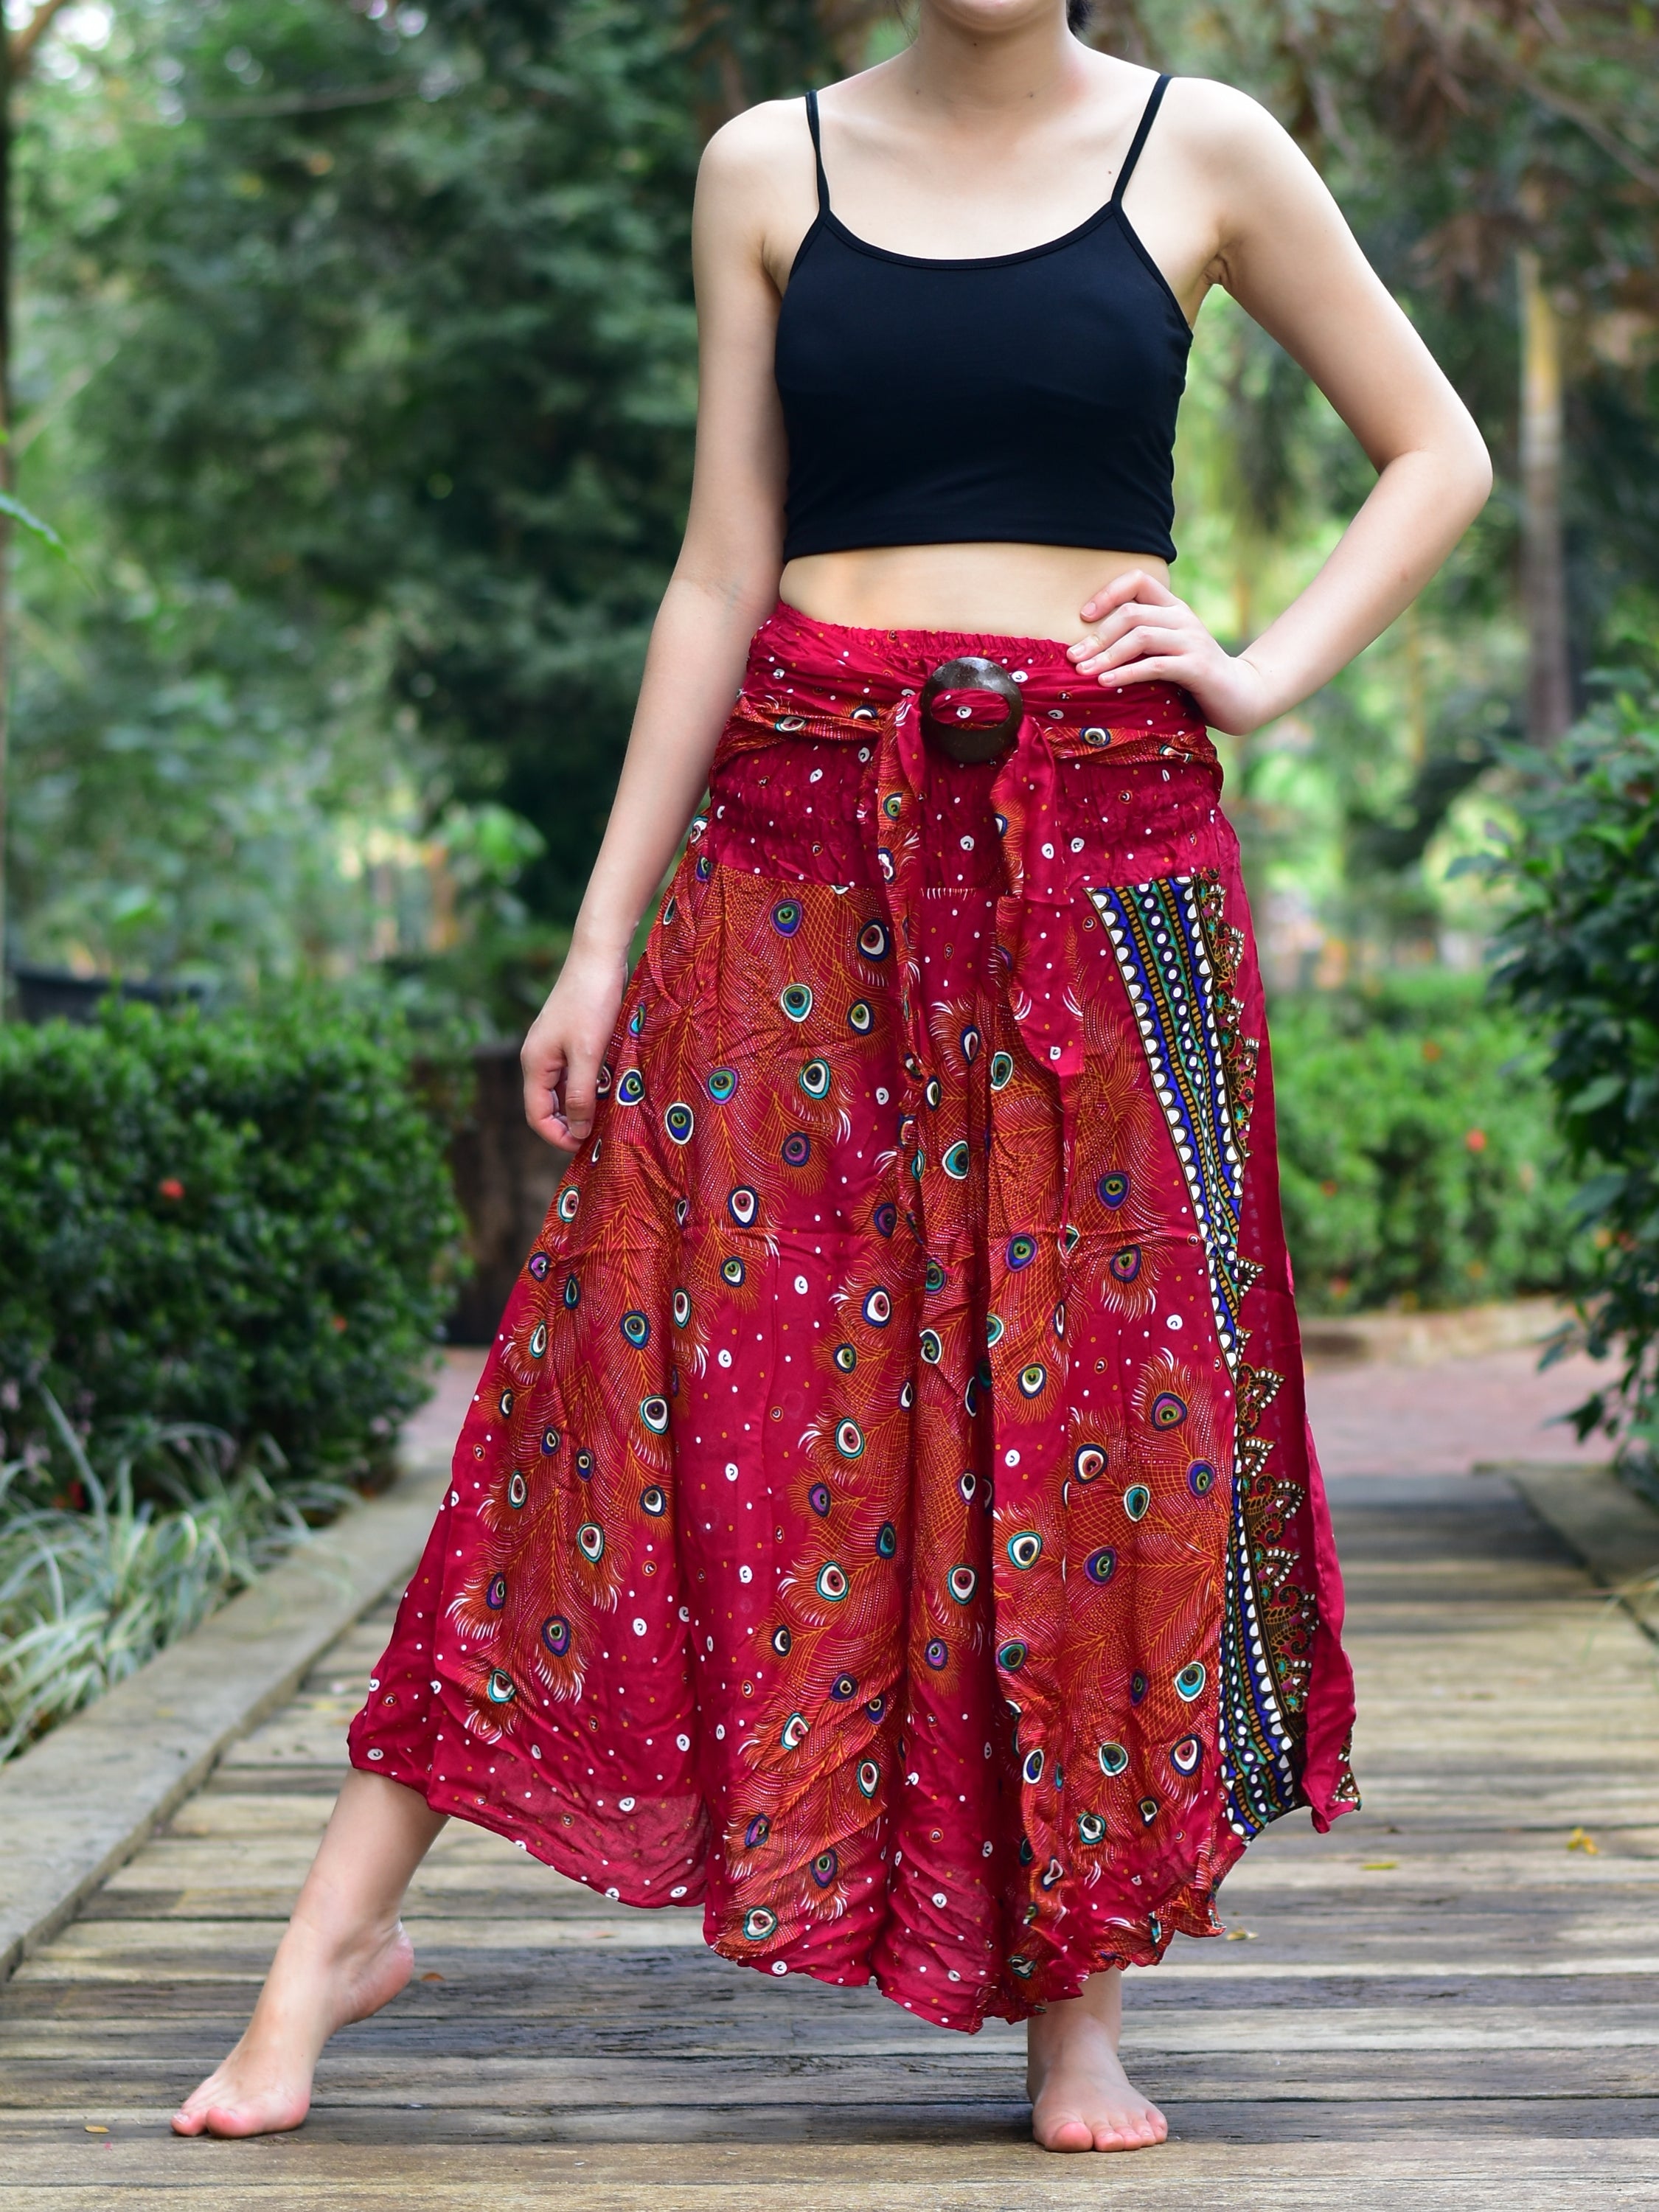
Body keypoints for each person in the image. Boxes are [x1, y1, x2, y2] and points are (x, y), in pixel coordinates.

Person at [174, 0, 1489, 2155]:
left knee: (1092, 1396)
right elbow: (717, 564)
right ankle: (329, 1942)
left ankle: (1077, 2010)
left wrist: (1256, 674)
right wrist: (598, 934)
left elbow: (1436, 450)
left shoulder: (1206, 143)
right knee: (615, 1355)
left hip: (1103, 835)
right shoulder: (762, 165)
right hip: (796, 834)